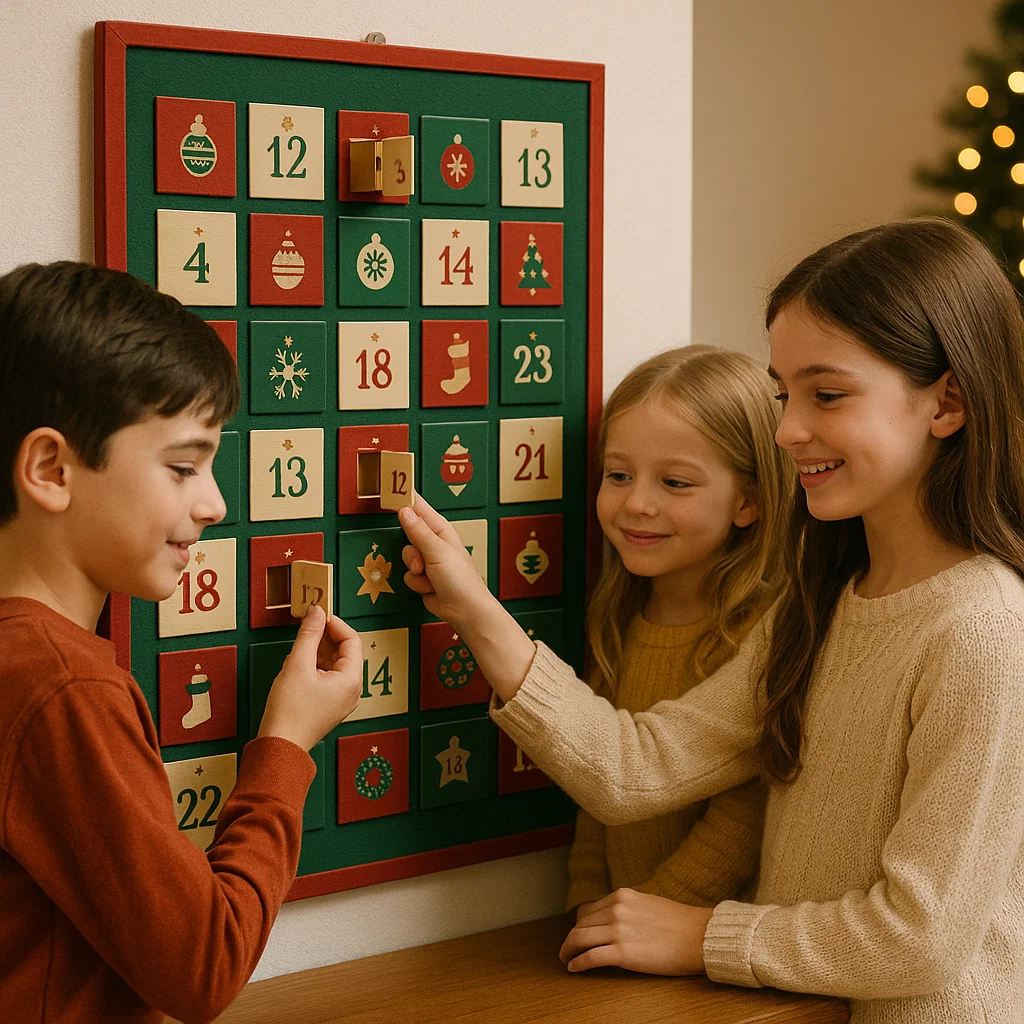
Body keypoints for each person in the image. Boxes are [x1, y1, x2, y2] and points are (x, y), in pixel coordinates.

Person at [397, 218, 1024, 1023]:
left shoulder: (984, 629)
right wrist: (472, 607)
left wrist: (701, 937)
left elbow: (920, 938)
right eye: (782, 394)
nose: (789, 429)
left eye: (826, 394)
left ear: (949, 403)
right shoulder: (824, 599)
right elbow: (635, 770)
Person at [0, 261, 363, 1024]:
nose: (216, 502)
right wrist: (287, 744)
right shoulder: (64, 686)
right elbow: (204, 965)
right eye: (182, 466)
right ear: (50, 469)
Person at [564, 346, 792, 919]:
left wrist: (652, 912)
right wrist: (586, 904)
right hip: (619, 934)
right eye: (618, 475)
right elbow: (593, 786)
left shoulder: (760, 633)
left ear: (749, 501)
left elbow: (743, 817)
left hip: (702, 942)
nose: (637, 503)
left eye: (675, 482)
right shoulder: (615, 616)